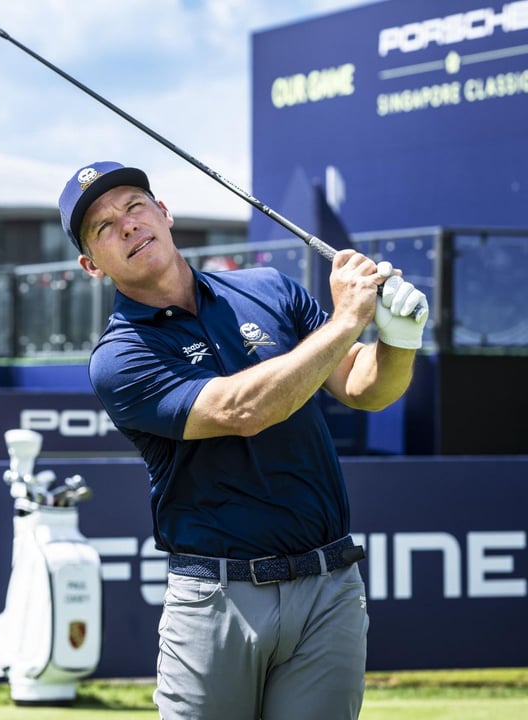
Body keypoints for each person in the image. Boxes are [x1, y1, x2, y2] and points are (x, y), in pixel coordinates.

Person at [57, 161, 428, 720]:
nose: (128, 225)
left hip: (328, 590)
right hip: (217, 601)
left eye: (135, 206)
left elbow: (363, 386)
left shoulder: (268, 288)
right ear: (92, 265)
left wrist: (398, 337)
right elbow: (243, 409)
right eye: (104, 227)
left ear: (165, 213)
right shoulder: (119, 356)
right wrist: (348, 318)